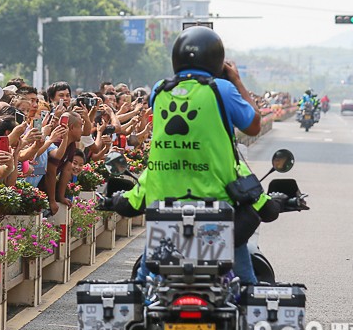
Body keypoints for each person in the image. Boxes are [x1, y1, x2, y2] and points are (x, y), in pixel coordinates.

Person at [105, 26, 277, 284]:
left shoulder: (159, 90)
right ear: (218, 62)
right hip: (218, 208)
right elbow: (253, 125)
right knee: (247, 286)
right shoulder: (222, 89)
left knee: (142, 286)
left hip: (164, 207)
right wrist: (236, 80)